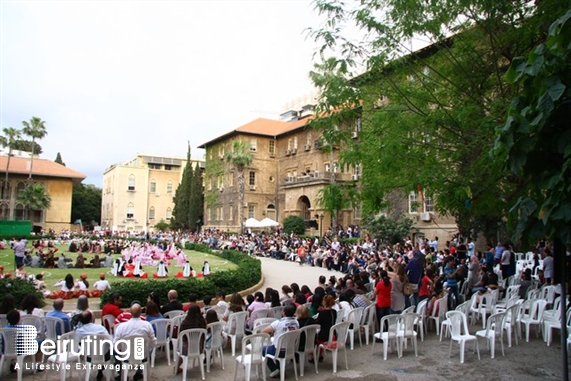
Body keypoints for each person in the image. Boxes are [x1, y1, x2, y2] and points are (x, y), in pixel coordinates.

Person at [114, 303, 156, 381]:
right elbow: (153, 343)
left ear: (130, 312)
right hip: (142, 356)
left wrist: (123, 350)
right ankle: (139, 372)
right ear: (141, 313)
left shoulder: (121, 327)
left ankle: (121, 373)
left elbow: (116, 345)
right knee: (149, 349)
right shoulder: (147, 325)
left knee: (115, 351)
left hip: (126, 356)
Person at [262, 303, 299, 377]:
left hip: (279, 351)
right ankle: (281, 369)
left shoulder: (278, 323)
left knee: (263, 349)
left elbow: (264, 331)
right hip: (290, 350)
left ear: (284, 312)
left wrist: (273, 332)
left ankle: (275, 369)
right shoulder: (296, 322)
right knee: (278, 345)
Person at [75, 310, 110, 381]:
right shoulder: (101, 328)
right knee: (107, 349)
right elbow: (109, 340)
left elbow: (77, 344)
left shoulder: (79, 331)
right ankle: (101, 370)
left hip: (88, 357)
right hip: (104, 356)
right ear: (91, 319)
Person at [176, 304, 206, 373]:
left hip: (186, 349)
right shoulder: (203, 322)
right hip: (200, 348)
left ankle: (177, 367)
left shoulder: (185, 323)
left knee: (180, 348)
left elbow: (181, 336)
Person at [311, 294, 336, 363]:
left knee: (314, 338)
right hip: (333, 334)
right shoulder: (334, 312)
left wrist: (320, 313)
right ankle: (319, 355)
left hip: (325, 336)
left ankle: (316, 355)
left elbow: (318, 322)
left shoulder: (322, 313)